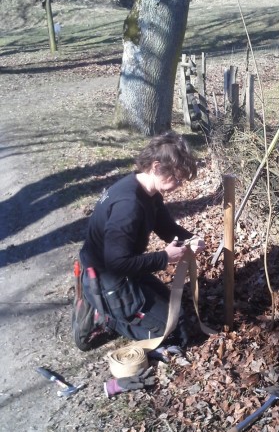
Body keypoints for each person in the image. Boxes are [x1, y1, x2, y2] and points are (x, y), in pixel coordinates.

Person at [72, 131, 205, 352]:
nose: (180, 185)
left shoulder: (148, 191)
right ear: (155, 167)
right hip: (108, 278)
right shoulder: (129, 205)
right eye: (177, 178)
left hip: (125, 269)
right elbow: (116, 263)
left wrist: (190, 239)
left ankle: (116, 309)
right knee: (176, 330)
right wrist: (164, 258)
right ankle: (106, 317)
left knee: (177, 309)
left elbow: (167, 228)